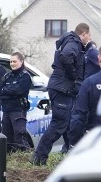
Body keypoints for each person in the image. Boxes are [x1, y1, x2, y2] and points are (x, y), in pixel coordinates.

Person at [32, 22, 91, 166]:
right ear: (83, 34)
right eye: (88, 36)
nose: (88, 39)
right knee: (58, 124)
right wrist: (74, 76)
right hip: (62, 88)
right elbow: (66, 56)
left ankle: (72, 155)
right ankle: (39, 157)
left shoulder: (68, 41)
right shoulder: (73, 42)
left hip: (62, 88)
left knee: (68, 123)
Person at [0, 51, 33, 152]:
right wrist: (9, 91)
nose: (12, 63)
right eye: (11, 61)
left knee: (19, 135)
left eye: (14, 61)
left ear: (21, 62)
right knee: (7, 137)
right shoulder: (7, 76)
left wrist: (6, 90)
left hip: (18, 110)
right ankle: (11, 159)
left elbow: (18, 90)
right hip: (6, 110)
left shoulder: (25, 76)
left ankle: (25, 157)